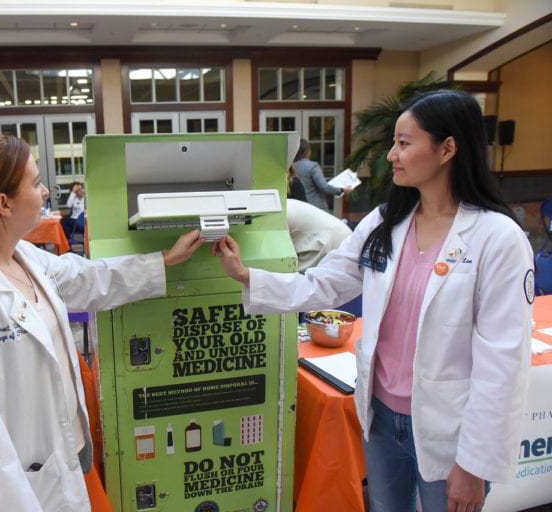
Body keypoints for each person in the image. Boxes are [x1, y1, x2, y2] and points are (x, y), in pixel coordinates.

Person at [212, 90, 534, 512]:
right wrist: (247, 276)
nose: (392, 155)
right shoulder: (387, 221)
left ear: (447, 149)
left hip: (449, 430)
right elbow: (325, 283)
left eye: (404, 143)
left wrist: (474, 465)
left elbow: (503, 361)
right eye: (394, 143)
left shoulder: (497, 237)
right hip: (381, 419)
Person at [0, 132, 203, 511]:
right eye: (36, 181)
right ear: (3, 203)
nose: (45, 192)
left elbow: (85, 279)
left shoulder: (21, 255)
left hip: (60, 462)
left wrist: (164, 260)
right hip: (18, 491)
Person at [286, 198, 351, 272]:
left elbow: (282, 260)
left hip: (328, 241)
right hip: (338, 237)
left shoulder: (279, 212)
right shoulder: (284, 205)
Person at [292, 138, 352, 211]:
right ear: (307, 151)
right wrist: (342, 190)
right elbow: (324, 187)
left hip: (298, 207)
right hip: (316, 207)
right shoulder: (313, 166)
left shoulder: (290, 167)